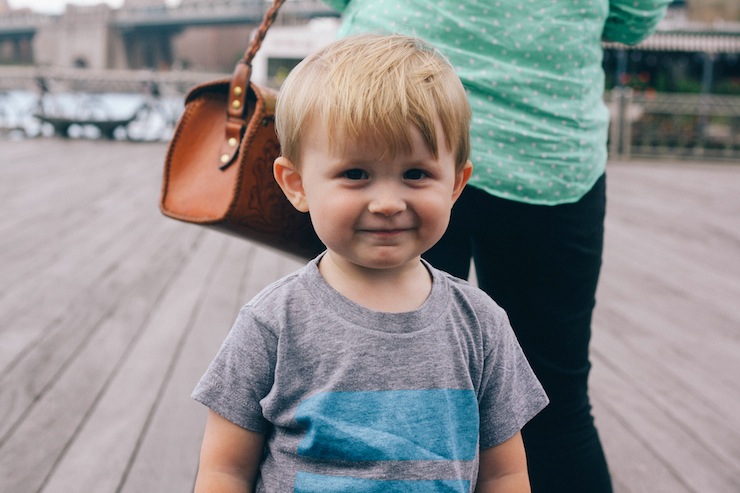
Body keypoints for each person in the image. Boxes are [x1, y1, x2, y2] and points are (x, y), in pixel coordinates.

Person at [321, 1, 671, 491]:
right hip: (541, 139)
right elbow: (634, 18)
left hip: (388, 126)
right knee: (554, 403)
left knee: (374, 387)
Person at [192, 33, 549, 493]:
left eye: (416, 174)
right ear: (296, 184)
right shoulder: (273, 322)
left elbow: (504, 473)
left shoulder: (481, 324)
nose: (387, 203)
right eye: (355, 174)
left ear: (456, 185)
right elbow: (224, 470)